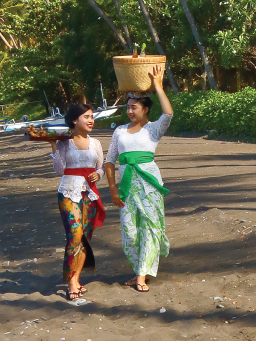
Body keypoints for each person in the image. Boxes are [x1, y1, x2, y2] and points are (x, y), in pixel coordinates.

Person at [104, 65, 173, 293]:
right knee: (130, 231)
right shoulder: (120, 131)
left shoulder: (153, 130)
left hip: (149, 184)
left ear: (145, 110)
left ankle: (142, 275)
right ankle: (139, 270)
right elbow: (110, 161)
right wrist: (112, 188)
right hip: (126, 187)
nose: (130, 112)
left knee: (150, 227)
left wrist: (158, 87)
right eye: (128, 108)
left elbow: (168, 113)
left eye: (134, 108)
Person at [48, 103, 106, 300]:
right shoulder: (65, 142)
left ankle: (76, 276)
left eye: (92, 116)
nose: (91, 120)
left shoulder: (96, 143)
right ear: (74, 120)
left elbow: (101, 167)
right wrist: (53, 144)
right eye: (86, 116)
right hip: (68, 191)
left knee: (84, 238)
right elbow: (58, 170)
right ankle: (72, 282)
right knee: (75, 233)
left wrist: (98, 175)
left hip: (89, 193)